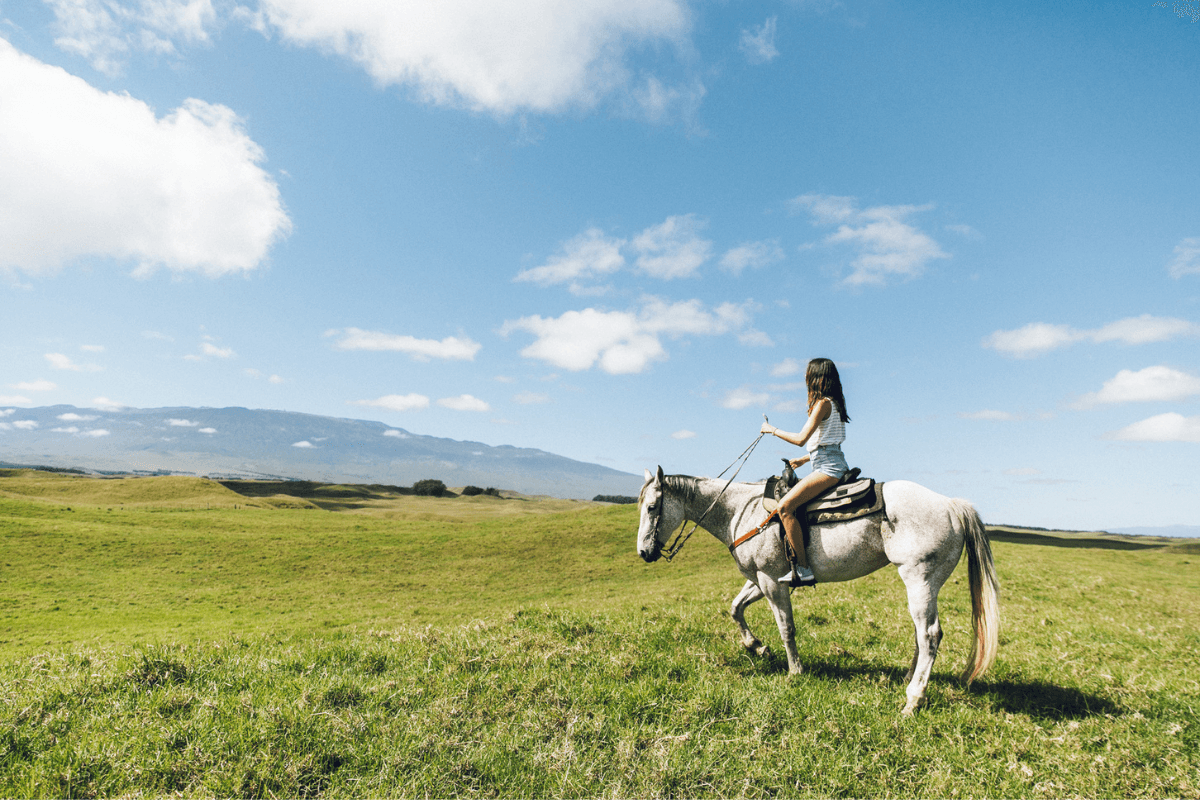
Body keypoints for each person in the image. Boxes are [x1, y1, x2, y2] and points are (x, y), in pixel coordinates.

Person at [759, 358, 851, 587]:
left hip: (828, 469)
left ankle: (803, 568)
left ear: (818, 377)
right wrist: (804, 459)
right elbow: (828, 443)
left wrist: (772, 430)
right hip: (830, 462)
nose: (804, 378)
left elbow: (801, 439)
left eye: (808, 374)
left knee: (785, 507)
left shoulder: (822, 403)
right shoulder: (835, 403)